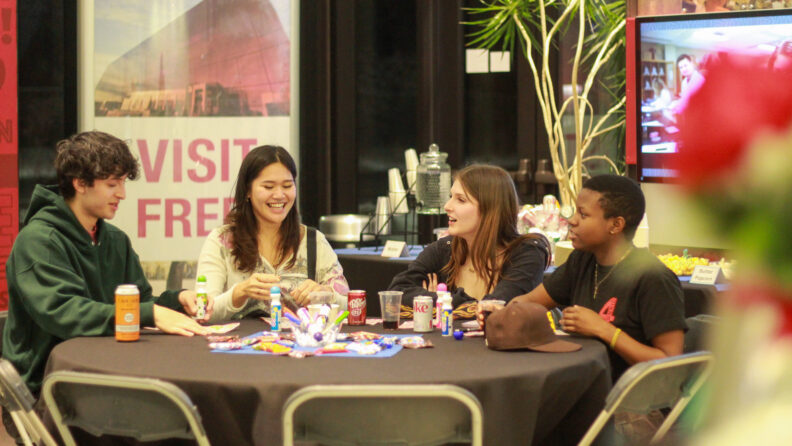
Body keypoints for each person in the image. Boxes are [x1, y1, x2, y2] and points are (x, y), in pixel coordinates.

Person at [2, 131, 209, 397]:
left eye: (123, 183)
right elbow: (64, 313)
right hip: (48, 385)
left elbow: (140, 299)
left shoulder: (115, 240)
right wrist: (150, 313)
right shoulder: (39, 241)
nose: (121, 194)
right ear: (80, 183)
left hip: (107, 374)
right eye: (112, 184)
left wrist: (176, 300)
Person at [485, 174, 686, 380]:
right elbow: (528, 303)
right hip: (582, 384)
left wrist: (604, 330)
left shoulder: (654, 278)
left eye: (583, 214)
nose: (572, 221)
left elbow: (669, 363)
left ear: (616, 225)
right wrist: (501, 311)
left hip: (629, 402)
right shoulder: (582, 261)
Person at [196, 145, 349, 322]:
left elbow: (352, 305)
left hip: (301, 345)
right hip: (238, 347)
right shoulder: (221, 241)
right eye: (268, 187)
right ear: (247, 191)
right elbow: (203, 311)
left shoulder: (313, 241)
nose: (279, 195)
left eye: (287, 186)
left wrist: (326, 294)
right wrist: (239, 293)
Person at [388, 164, 551, 311]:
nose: (447, 206)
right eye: (451, 197)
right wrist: (445, 300)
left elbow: (495, 307)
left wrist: (439, 302)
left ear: (490, 209)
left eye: (461, 200)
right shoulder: (445, 248)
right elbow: (395, 293)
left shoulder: (527, 252)